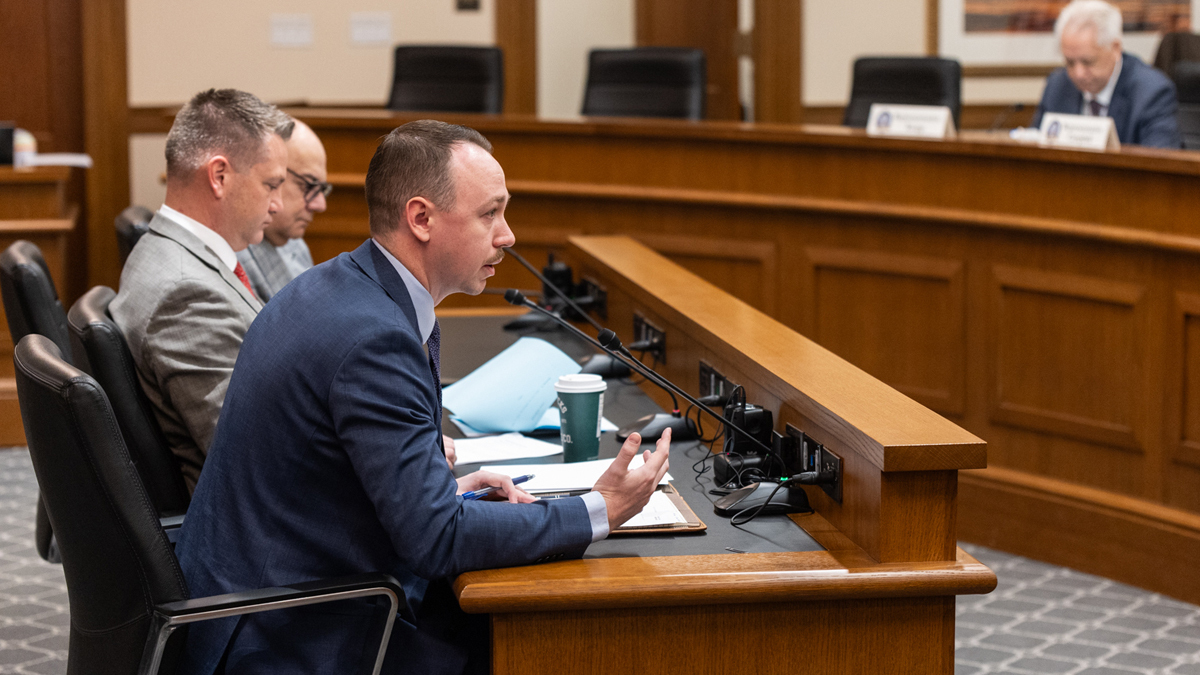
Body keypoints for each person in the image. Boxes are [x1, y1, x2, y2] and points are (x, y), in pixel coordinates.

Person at [175, 120, 671, 675]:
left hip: (275, 595)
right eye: (490, 213)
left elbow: (344, 482)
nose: (506, 236)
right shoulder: (374, 339)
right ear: (421, 218)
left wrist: (443, 491)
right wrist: (601, 509)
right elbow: (436, 539)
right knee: (560, 639)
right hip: (292, 636)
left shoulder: (338, 286)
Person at [110, 88, 291, 493]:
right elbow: (258, 463)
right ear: (220, 176)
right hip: (262, 538)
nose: (278, 204)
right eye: (271, 184)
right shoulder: (186, 294)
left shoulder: (165, 250)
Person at [1031, 0, 1182, 148]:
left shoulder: (1152, 92)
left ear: (1115, 48)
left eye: (1088, 62)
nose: (1078, 74)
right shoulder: (1057, 86)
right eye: (1070, 62)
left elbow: (1158, 164)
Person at [236, 119, 327, 302]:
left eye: (322, 190)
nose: (320, 205)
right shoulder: (232, 255)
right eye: (309, 185)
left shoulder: (295, 243)